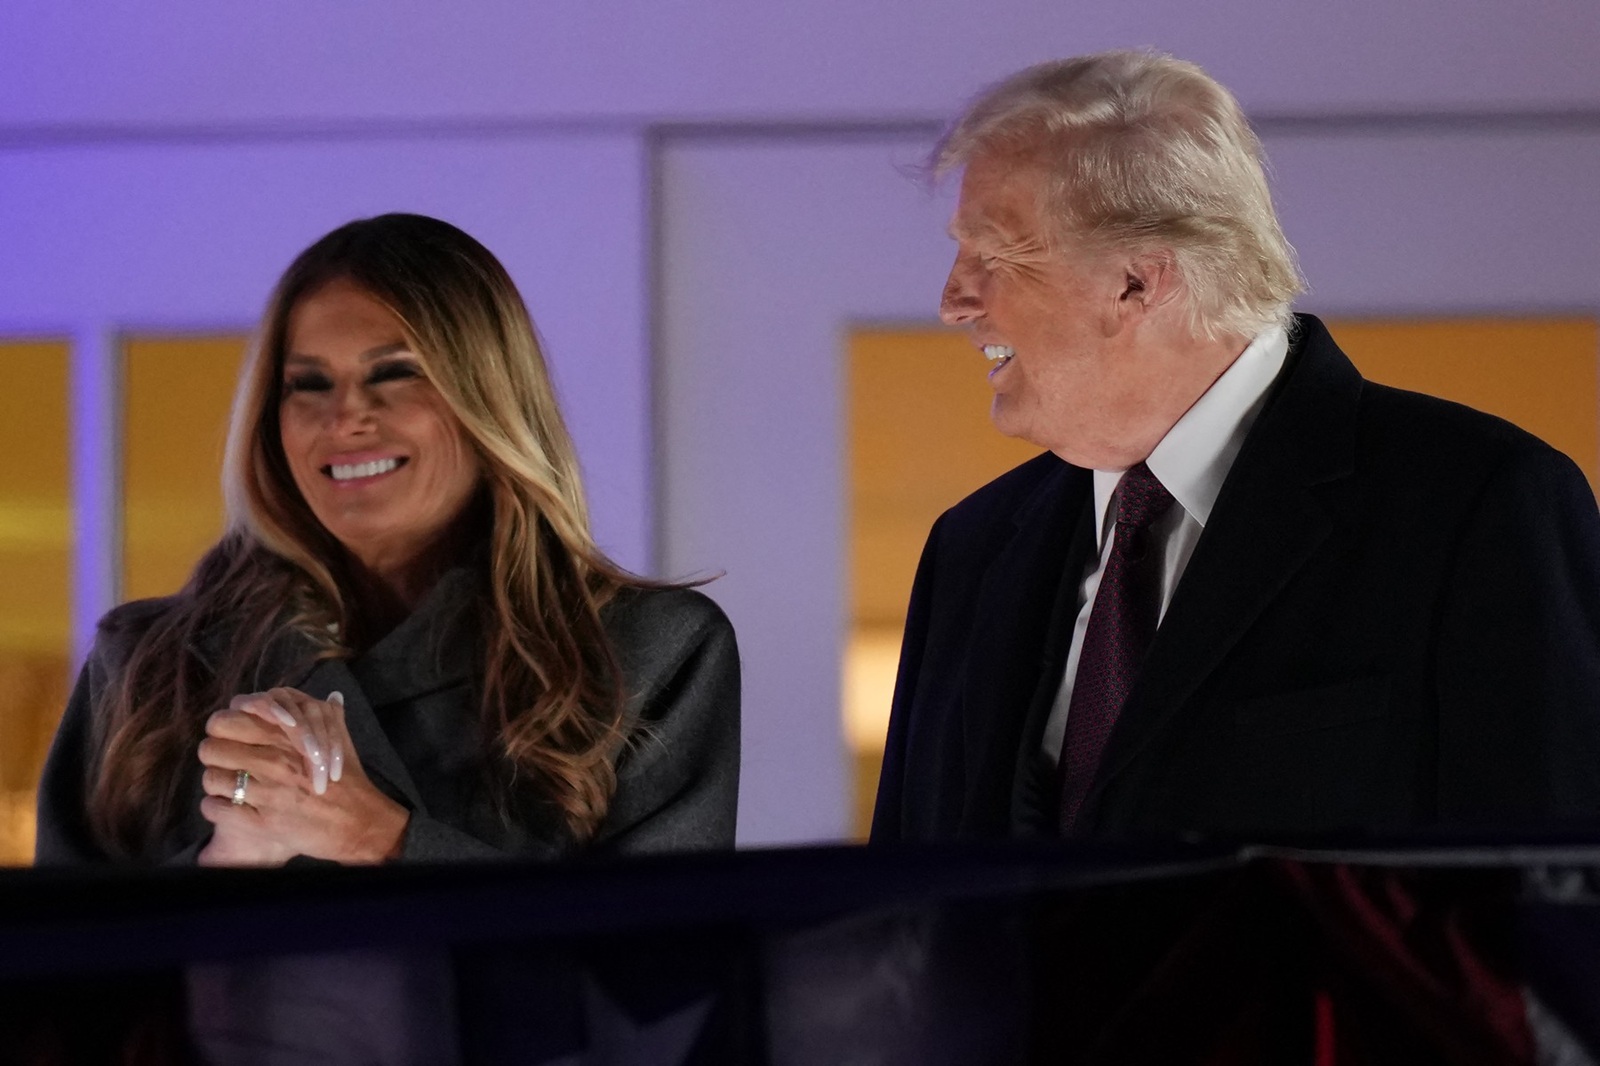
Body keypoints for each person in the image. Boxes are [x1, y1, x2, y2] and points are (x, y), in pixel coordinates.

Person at [872, 51, 1600, 843]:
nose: (953, 301)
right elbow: (899, 922)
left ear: (1138, 283)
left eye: (992, 254)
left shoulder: (1479, 507)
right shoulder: (971, 551)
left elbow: (1547, 917)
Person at [36, 212, 740, 867]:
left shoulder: (648, 655)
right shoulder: (144, 665)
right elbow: (62, 986)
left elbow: (660, 982)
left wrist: (378, 836)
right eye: (307, 385)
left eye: (396, 374)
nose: (346, 418)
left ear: (489, 399)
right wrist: (229, 864)